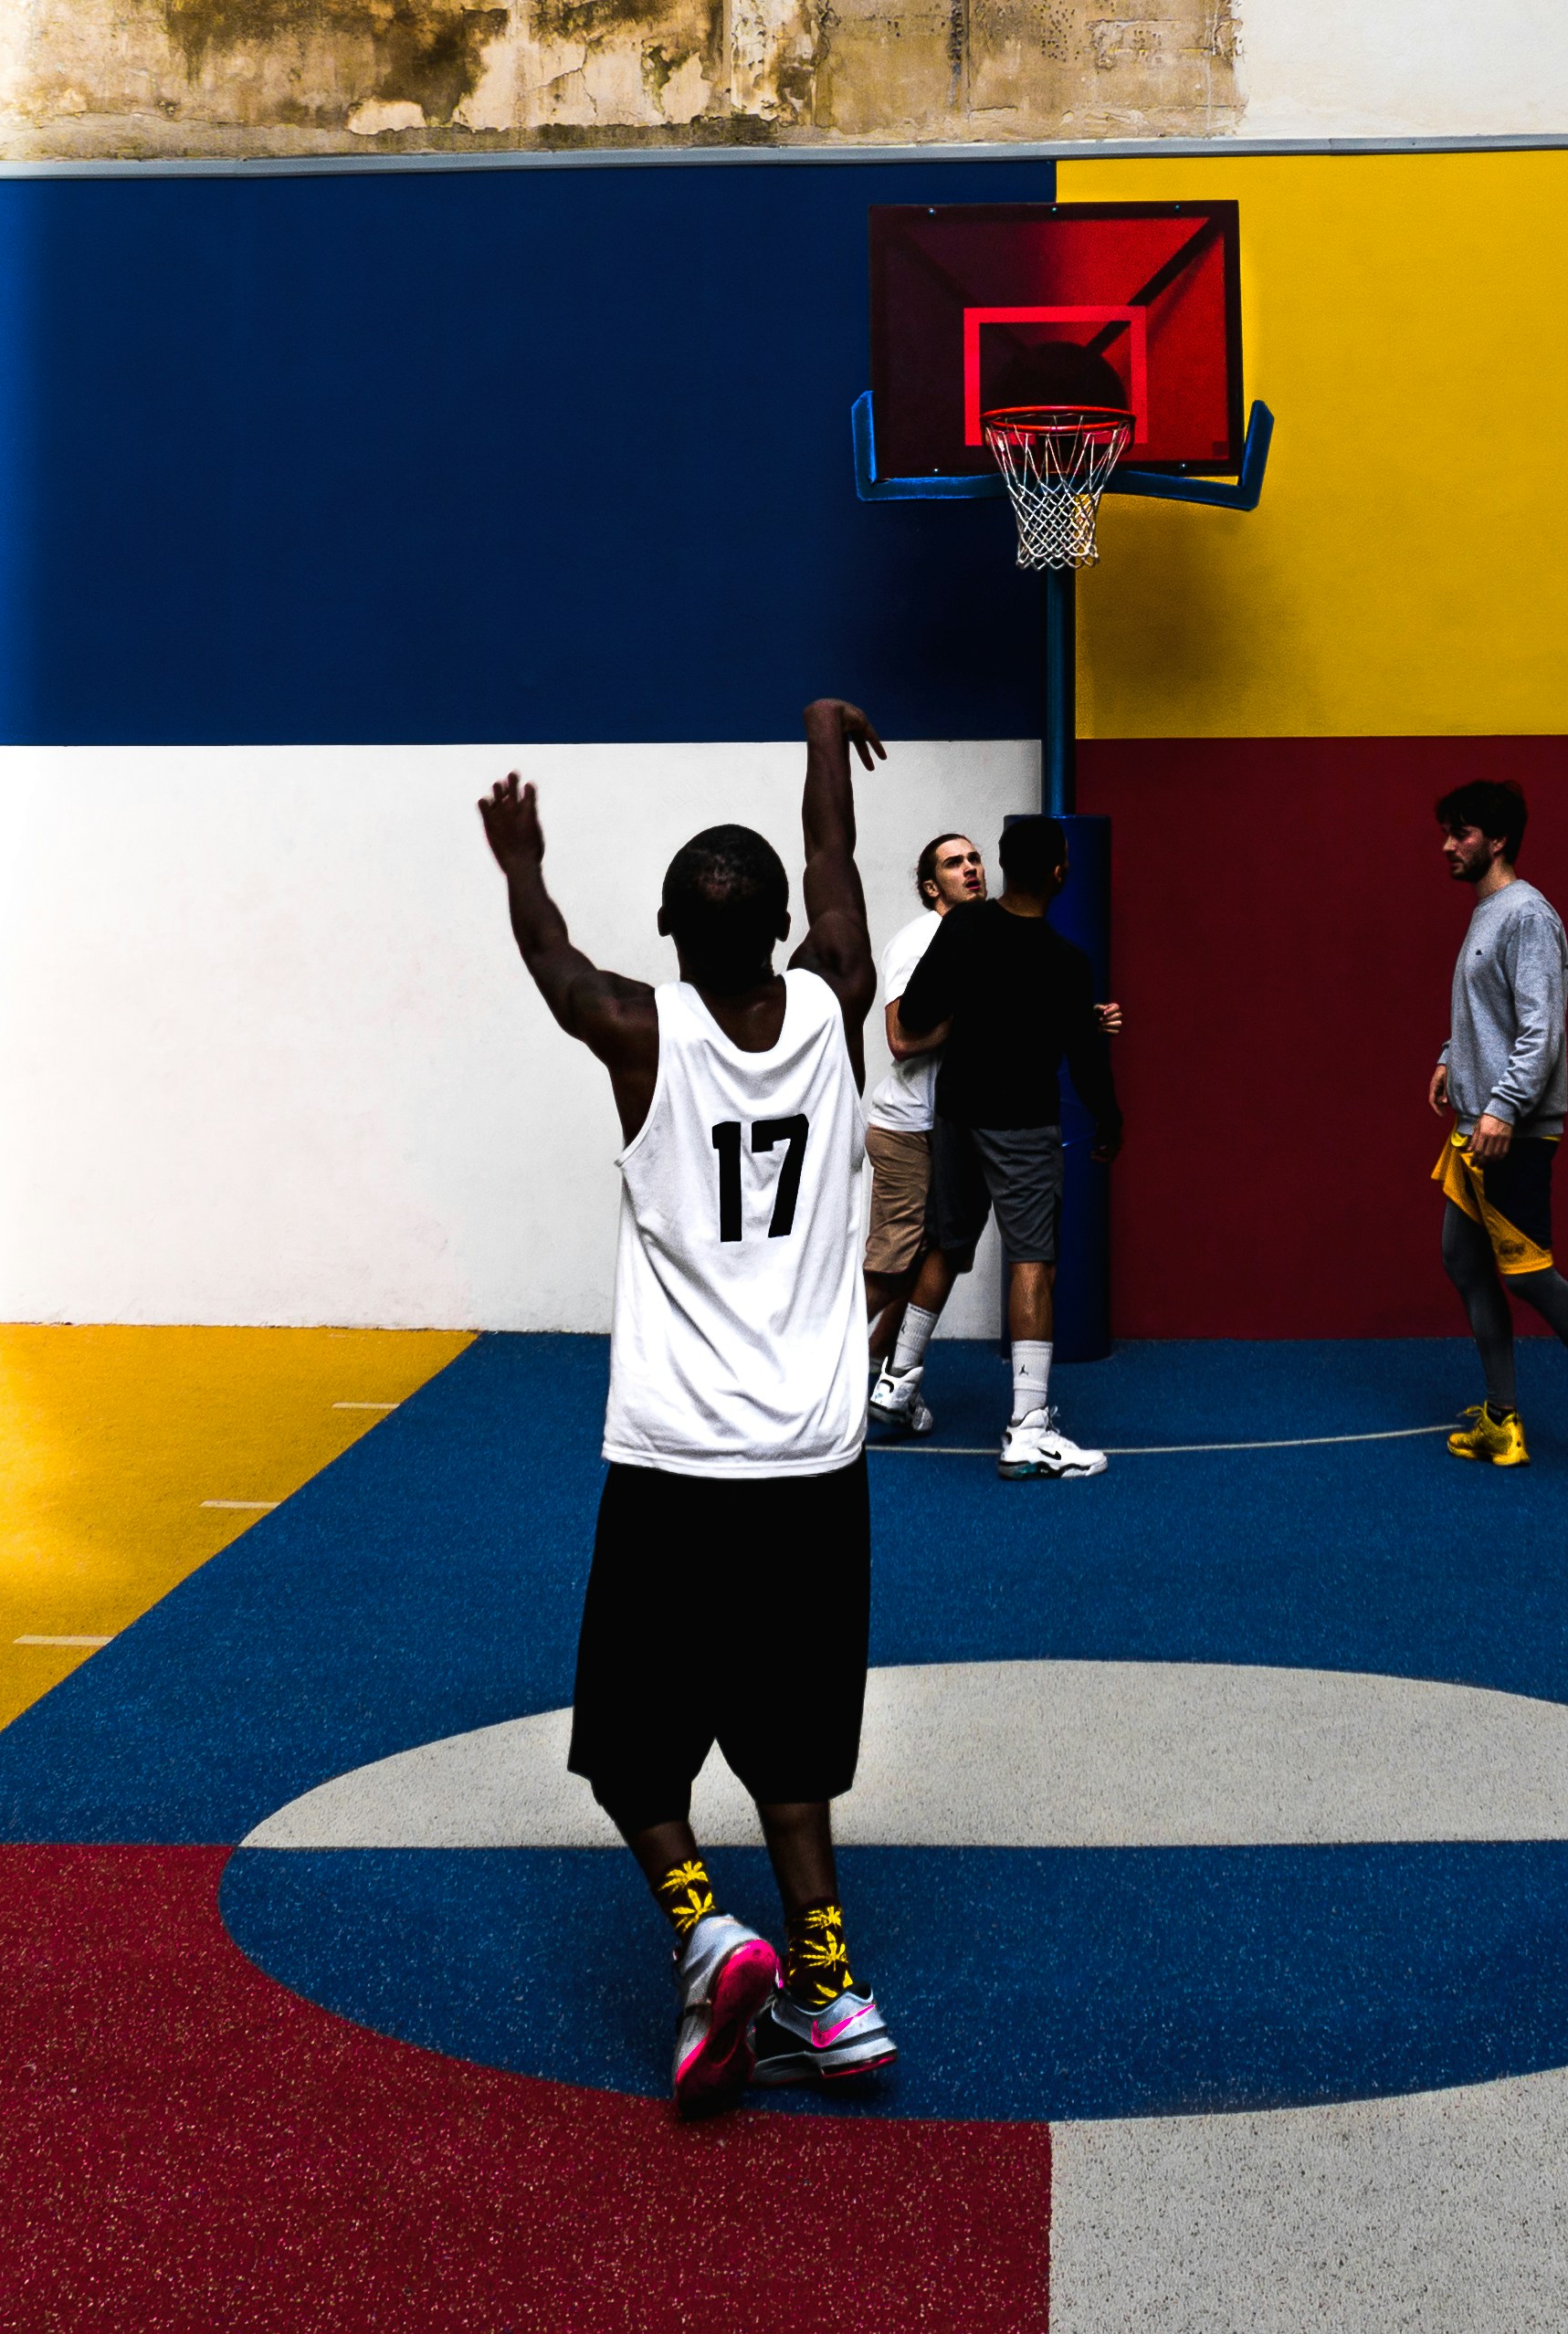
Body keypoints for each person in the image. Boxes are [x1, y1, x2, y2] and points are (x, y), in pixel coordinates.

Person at [477, 699, 905, 2114]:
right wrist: (821, 741)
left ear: (667, 932)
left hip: (675, 1457)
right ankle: (829, 1989)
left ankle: (709, 1933)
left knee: (629, 1752)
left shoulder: (638, 1032)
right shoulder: (836, 1003)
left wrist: (523, 866)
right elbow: (835, 865)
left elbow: (556, 965)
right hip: (812, 1458)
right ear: (786, 932)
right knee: (795, 1747)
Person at [889, 811, 1126, 1480]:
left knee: (945, 1244)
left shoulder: (963, 926)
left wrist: (984, 997)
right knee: (1033, 1262)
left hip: (957, 1115)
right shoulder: (1066, 963)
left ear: (1001, 865)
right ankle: (1027, 1431)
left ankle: (896, 1386)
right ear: (1060, 873)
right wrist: (1110, 1120)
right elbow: (1084, 1060)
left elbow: (915, 1014)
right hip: (1021, 1125)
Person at [1427, 778, 1568, 1478]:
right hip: (1475, 1123)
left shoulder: (1527, 916)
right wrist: (1450, 1058)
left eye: (1461, 834)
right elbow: (1487, 1013)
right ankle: (1502, 1420)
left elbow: (1541, 1030)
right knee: (1463, 1261)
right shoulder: (1487, 912)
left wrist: (1503, 1107)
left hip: (1509, 1130)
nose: (1447, 846)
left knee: (1528, 1277)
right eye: (1447, 833)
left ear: (1496, 840)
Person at [859, 830, 980, 1440]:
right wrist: (973, 1018)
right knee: (890, 1267)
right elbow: (901, 1041)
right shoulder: (917, 942)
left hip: (952, 1130)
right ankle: (803, 1371)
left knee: (936, 1260)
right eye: (955, 863)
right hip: (907, 1128)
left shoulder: (983, 938)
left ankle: (881, 1375)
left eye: (975, 858)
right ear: (932, 886)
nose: (971, 868)